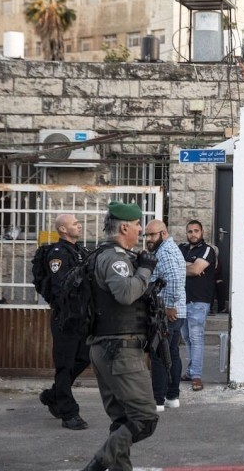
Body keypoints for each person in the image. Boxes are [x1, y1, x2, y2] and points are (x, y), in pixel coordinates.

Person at [79, 202, 159, 471]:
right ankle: (99, 462)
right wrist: (146, 269)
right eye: (137, 225)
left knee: (122, 420)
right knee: (145, 419)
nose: (140, 230)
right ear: (124, 228)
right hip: (120, 351)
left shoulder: (101, 255)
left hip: (107, 348)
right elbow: (125, 294)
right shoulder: (115, 258)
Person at [38, 213, 91, 431]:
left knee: (85, 357)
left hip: (82, 318)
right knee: (65, 365)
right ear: (62, 229)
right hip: (65, 318)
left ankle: (53, 395)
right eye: (74, 224)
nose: (79, 226)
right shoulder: (57, 254)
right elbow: (61, 287)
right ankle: (69, 413)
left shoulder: (80, 251)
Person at [144, 219, 186, 412]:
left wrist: (169, 307)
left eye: (153, 234)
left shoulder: (165, 251)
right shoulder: (167, 249)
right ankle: (172, 397)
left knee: (159, 355)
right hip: (175, 312)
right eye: (147, 235)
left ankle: (158, 400)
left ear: (164, 233)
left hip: (167, 313)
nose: (149, 238)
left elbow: (174, 280)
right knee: (172, 353)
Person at [178, 219, 216, 392]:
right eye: (190, 231)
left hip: (199, 301)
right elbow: (173, 266)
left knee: (196, 338)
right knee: (187, 338)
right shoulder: (181, 248)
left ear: (202, 232)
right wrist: (190, 266)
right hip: (182, 301)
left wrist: (187, 267)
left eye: (196, 231)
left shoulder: (207, 250)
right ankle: (190, 371)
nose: (193, 234)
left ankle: (196, 376)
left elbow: (195, 270)